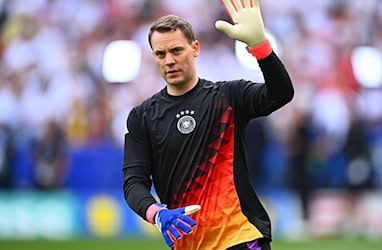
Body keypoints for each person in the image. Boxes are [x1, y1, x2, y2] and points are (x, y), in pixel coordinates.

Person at [122, 0, 294, 249]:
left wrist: (261, 47)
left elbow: (281, 93)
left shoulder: (229, 96)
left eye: (176, 51)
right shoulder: (142, 117)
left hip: (240, 237)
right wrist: (157, 213)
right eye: (161, 54)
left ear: (195, 48)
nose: (169, 60)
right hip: (188, 243)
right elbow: (133, 182)